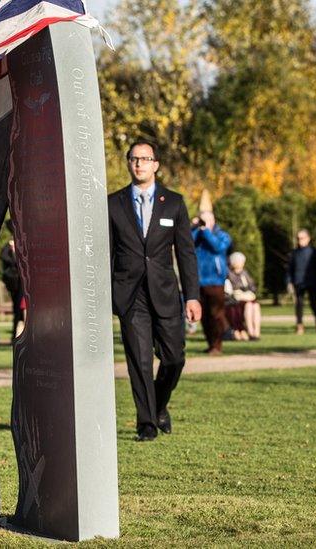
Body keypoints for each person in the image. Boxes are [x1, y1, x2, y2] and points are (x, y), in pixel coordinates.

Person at [108, 140, 201, 442]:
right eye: (134, 159)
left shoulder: (173, 203)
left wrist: (192, 296)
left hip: (165, 292)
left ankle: (159, 405)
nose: (139, 164)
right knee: (140, 360)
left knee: (174, 358)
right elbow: (104, 253)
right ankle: (146, 422)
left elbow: (186, 253)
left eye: (145, 159)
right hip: (130, 295)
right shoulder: (113, 203)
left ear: (156, 164)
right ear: (128, 163)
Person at [192, 211, 232, 355]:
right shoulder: (197, 233)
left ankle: (217, 345)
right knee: (204, 316)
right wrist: (194, 228)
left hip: (215, 281)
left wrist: (206, 231)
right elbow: (188, 243)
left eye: (206, 220)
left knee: (216, 314)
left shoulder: (222, 235)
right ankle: (210, 344)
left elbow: (217, 248)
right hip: (198, 280)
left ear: (213, 220)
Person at [287, 229, 316, 335]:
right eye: (298, 238)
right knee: (299, 304)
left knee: (313, 303)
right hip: (298, 282)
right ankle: (299, 325)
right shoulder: (294, 253)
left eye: (302, 238)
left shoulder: (314, 252)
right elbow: (290, 269)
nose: (300, 240)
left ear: (308, 239)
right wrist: (289, 281)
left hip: (311, 281)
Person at [224, 252, 261, 341]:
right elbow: (228, 292)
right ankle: (250, 331)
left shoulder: (245, 273)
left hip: (247, 298)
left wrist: (248, 293)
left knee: (255, 306)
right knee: (249, 306)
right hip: (234, 301)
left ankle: (256, 332)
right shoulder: (228, 274)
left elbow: (252, 287)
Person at [0, 220, 26, 339]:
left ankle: (20, 332)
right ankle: (15, 334)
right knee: (17, 307)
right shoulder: (7, 248)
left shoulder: (22, 245)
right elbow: (5, 259)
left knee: (21, 307)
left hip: (23, 281)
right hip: (14, 282)